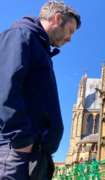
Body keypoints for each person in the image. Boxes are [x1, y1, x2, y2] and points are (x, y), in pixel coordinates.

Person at [0, 1, 81, 179]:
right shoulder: (20, 35)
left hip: (34, 153)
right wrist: (21, 139)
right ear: (57, 18)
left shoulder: (40, 46)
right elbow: (5, 88)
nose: (70, 38)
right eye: (70, 31)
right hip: (17, 151)